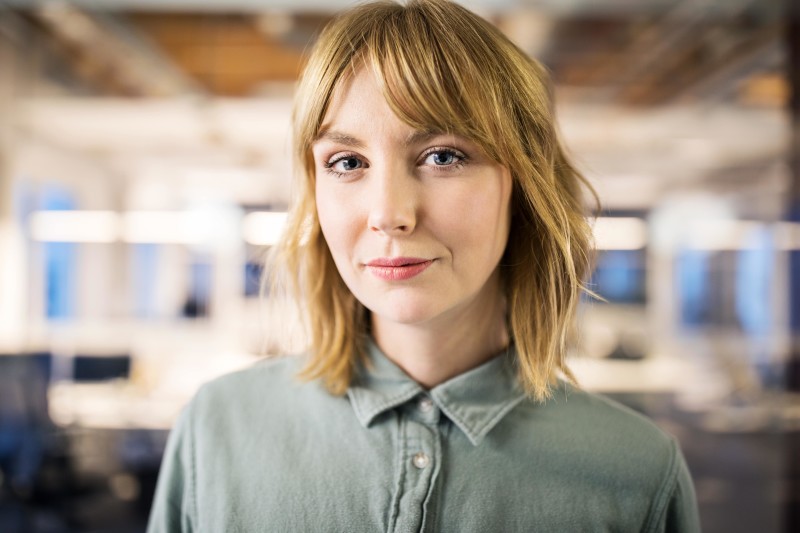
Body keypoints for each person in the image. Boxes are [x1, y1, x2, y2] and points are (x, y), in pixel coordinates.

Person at [147, 1, 700, 531]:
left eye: (443, 156)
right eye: (347, 162)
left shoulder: (636, 475)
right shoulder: (218, 428)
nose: (389, 214)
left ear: (523, 188)